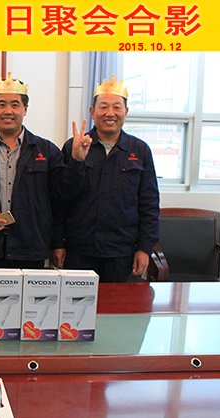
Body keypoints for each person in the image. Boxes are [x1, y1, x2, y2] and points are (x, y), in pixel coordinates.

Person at [0, 74, 91, 269]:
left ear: (25, 109)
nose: (8, 111)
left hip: (30, 249)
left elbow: (65, 192)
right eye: (2, 105)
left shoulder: (45, 150)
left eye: (15, 105)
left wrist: (77, 160)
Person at [51, 75, 160, 282]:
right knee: (77, 302)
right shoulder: (74, 146)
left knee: (117, 302)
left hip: (121, 251)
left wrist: (145, 247)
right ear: (93, 112)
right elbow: (60, 200)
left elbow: (149, 204)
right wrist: (57, 242)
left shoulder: (140, 150)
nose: (110, 113)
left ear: (126, 112)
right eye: (103, 107)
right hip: (79, 249)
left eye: (117, 107)